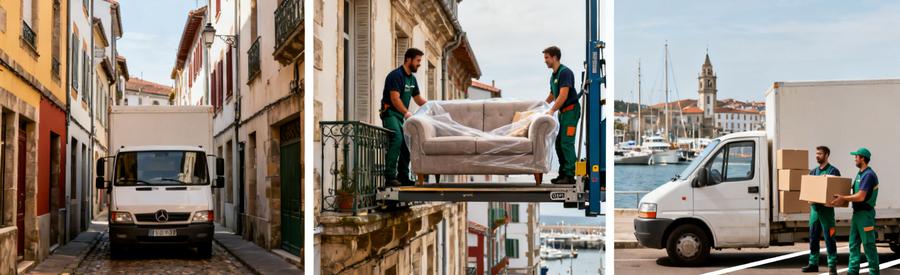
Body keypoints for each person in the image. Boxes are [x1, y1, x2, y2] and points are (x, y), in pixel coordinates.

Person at [380, 48, 428, 186]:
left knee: (407, 142)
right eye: (418, 60)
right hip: (390, 114)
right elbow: (394, 98)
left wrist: (432, 105)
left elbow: (418, 99)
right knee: (397, 138)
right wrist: (406, 113)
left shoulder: (412, 79)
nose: (419, 64)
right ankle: (389, 177)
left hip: (400, 116)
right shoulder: (396, 76)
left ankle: (403, 176)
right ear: (408, 59)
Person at [831, 148, 880, 275]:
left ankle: (874, 272)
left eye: (856, 156)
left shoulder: (869, 175)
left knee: (868, 245)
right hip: (857, 214)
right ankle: (853, 271)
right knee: (853, 244)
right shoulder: (860, 173)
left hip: (865, 215)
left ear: (862, 158)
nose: (854, 158)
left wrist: (843, 198)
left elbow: (860, 196)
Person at [543, 46, 580, 185]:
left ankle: (570, 175)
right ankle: (563, 174)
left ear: (554, 57)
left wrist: (551, 111)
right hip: (563, 113)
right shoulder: (553, 76)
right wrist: (542, 106)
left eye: (547, 58)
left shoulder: (565, 73)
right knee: (559, 144)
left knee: (566, 142)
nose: (545, 61)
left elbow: (563, 95)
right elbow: (553, 95)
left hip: (571, 111)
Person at [802, 146, 840, 274]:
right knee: (813, 237)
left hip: (826, 211)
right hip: (814, 210)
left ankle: (832, 266)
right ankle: (813, 263)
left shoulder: (834, 171)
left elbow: (837, 191)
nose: (817, 155)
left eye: (820, 153)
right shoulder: (813, 172)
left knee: (829, 238)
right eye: (816, 153)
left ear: (827, 155)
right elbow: (809, 190)